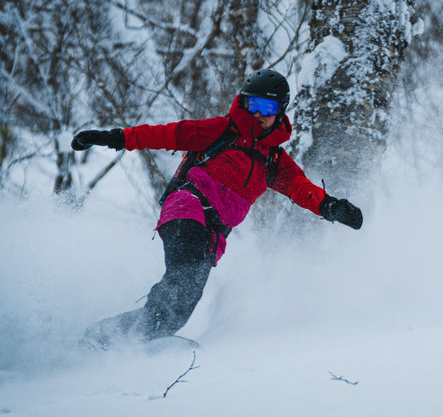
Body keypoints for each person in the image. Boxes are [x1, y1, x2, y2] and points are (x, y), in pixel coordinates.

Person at [72, 69, 363, 349]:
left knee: (181, 306)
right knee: (182, 281)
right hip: (187, 208)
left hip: (213, 236)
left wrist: (330, 206)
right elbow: (165, 134)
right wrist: (112, 137)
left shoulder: (273, 160)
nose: (258, 114)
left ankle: (111, 340)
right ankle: (119, 340)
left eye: (266, 106)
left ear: (280, 110)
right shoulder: (222, 130)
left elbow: (300, 187)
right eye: (253, 104)